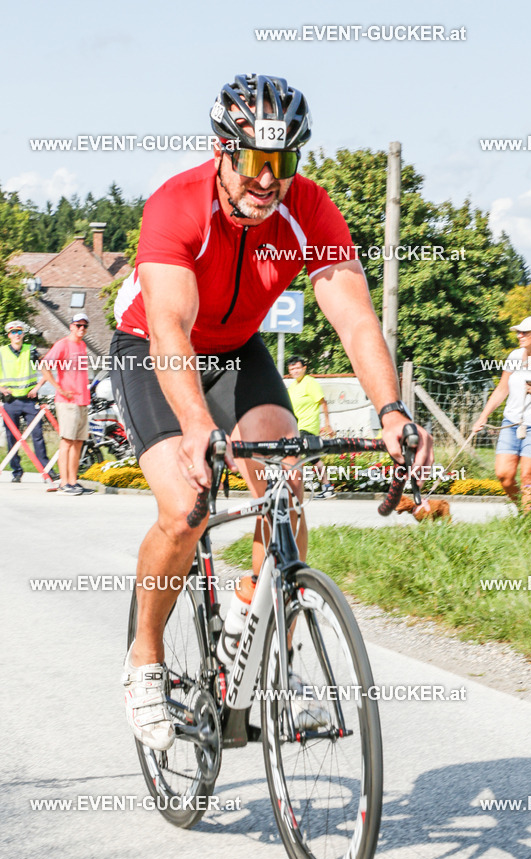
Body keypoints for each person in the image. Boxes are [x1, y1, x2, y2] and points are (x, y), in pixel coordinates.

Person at [110, 73, 432, 750]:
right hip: (153, 348)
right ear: (222, 150)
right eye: (253, 160)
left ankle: (267, 658)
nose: (266, 179)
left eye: (281, 163)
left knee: (284, 481)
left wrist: (392, 411)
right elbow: (170, 329)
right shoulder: (176, 206)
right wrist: (197, 427)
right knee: (186, 504)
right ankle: (144, 658)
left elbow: (355, 319)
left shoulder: (310, 210)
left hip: (236, 350)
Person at [472, 316, 531, 513]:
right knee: (504, 475)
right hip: (511, 422)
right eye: (518, 332)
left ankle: (527, 522)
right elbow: (501, 389)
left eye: (524, 332)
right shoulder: (514, 356)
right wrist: (484, 416)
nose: (519, 335)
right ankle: (525, 509)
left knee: (527, 477)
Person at [39, 314, 96, 495]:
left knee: (79, 442)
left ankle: (73, 481)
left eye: (85, 326)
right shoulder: (62, 345)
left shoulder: (82, 345)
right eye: (78, 325)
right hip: (67, 401)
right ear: (71, 326)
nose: (82, 329)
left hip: (82, 400)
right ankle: (64, 483)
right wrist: (59, 388)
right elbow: (44, 366)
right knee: (67, 441)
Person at [0, 320, 50, 482]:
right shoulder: (2, 352)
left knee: (37, 434)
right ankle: (16, 472)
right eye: (13, 332)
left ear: (23, 334)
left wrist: (37, 388)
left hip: (29, 401)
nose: (17, 335)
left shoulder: (31, 350)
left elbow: (46, 370)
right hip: (10, 401)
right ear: (9, 335)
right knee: (11, 438)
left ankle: (46, 469)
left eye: (19, 332)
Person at [287, 354, 336, 498]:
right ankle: (325, 487)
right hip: (296, 427)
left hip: (307, 427)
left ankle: (326, 487)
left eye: (297, 368)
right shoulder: (293, 387)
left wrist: (327, 424)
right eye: (292, 369)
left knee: (308, 457)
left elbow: (323, 402)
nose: (295, 371)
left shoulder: (310, 382)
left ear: (304, 368)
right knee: (308, 457)